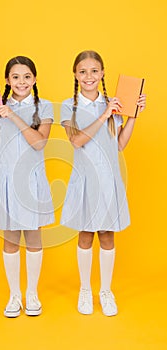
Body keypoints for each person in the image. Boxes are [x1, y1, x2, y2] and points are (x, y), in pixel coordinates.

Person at [60, 50, 146, 316]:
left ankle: (105, 291)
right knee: (85, 235)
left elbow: (119, 144)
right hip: (85, 180)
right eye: (83, 71)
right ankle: (85, 290)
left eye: (94, 71)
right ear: (75, 74)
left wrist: (132, 116)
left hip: (109, 180)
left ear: (103, 73)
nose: (89, 76)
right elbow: (76, 140)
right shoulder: (68, 105)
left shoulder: (113, 104)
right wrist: (104, 114)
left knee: (107, 235)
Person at [0, 56, 54, 318]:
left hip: (32, 182)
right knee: (10, 240)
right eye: (16, 77)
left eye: (27, 76)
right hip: (7, 181)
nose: (21, 82)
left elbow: (39, 143)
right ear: (7, 80)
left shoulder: (45, 107)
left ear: (35, 79)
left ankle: (32, 293)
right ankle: (14, 295)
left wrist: (15, 117)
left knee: (33, 238)